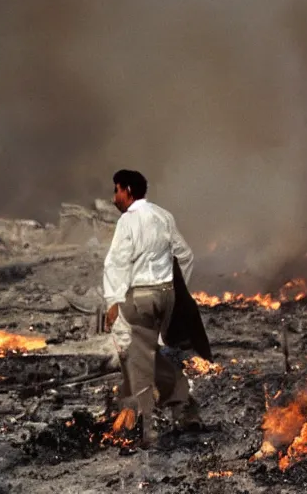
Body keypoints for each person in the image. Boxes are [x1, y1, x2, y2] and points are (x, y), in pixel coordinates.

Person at [103, 169, 201, 447]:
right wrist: (178, 291)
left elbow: (115, 263)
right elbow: (186, 255)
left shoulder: (128, 221)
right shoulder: (163, 216)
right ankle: (177, 408)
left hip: (141, 297)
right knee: (151, 348)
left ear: (129, 191)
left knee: (132, 352)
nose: (114, 198)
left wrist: (112, 301)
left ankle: (158, 419)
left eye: (116, 191)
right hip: (165, 295)